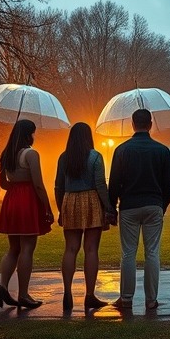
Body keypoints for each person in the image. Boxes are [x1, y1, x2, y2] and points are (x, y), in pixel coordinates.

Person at [108, 109, 170, 310]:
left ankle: (126, 298)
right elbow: (168, 184)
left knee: (128, 253)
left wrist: (113, 207)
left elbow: (114, 183)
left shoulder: (122, 150)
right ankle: (151, 299)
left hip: (129, 205)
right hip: (153, 204)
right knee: (152, 253)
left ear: (132, 124)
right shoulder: (162, 150)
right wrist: (161, 205)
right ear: (150, 124)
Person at [0, 119, 54, 310]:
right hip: (27, 200)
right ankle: (23, 294)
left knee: (13, 248)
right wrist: (47, 207)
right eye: (33, 133)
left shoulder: (7, 154)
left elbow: (3, 184)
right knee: (27, 247)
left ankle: (3, 285)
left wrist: (16, 185)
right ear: (29, 134)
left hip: (12, 199)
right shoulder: (31, 154)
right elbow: (38, 184)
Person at [55, 122, 111, 311]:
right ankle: (89, 295)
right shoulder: (95, 157)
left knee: (70, 249)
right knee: (91, 249)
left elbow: (58, 186)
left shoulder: (64, 157)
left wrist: (61, 209)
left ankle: (67, 293)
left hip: (69, 200)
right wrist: (109, 207)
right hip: (92, 200)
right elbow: (100, 185)